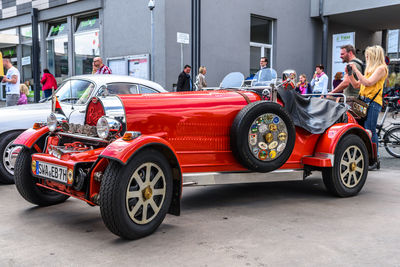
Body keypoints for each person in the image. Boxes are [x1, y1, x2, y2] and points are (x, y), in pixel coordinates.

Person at [348, 45, 388, 170]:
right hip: (363, 101)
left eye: (368, 56)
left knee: (370, 129)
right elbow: (356, 85)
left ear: (374, 56)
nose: (366, 58)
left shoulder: (382, 68)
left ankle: (374, 160)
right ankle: (365, 157)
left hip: (373, 102)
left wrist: (356, 69)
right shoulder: (369, 70)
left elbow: (368, 83)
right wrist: (349, 74)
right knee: (360, 128)